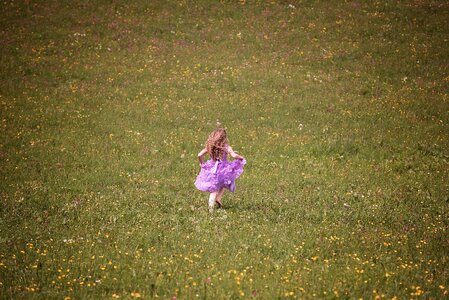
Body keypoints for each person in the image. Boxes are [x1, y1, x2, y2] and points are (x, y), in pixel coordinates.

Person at [194, 128, 246, 211]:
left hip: (212, 169)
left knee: (214, 189)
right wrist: (241, 157)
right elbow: (233, 156)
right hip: (224, 169)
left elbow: (199, 155)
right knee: (223, 183)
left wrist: (202, 164)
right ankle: (218, 199)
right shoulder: (226, 147)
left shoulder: (210, 147)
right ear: (224, 138)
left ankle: (211, 208)